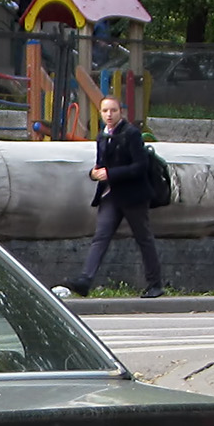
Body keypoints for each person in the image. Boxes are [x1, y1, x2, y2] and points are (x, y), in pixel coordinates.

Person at [60, 95, 163, 299]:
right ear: (100, 113)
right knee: (101, 237)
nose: (109, 114)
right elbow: (101, 163)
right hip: (110, 195)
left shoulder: (131, 134)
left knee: (143, 238)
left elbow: (140, 166)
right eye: (105, 111)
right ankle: (85, 281)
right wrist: (94, 173)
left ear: (120, 112)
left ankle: (155, 284)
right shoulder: (102, 135)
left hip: (133, 195)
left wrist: (111, 174)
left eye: (113, 110)